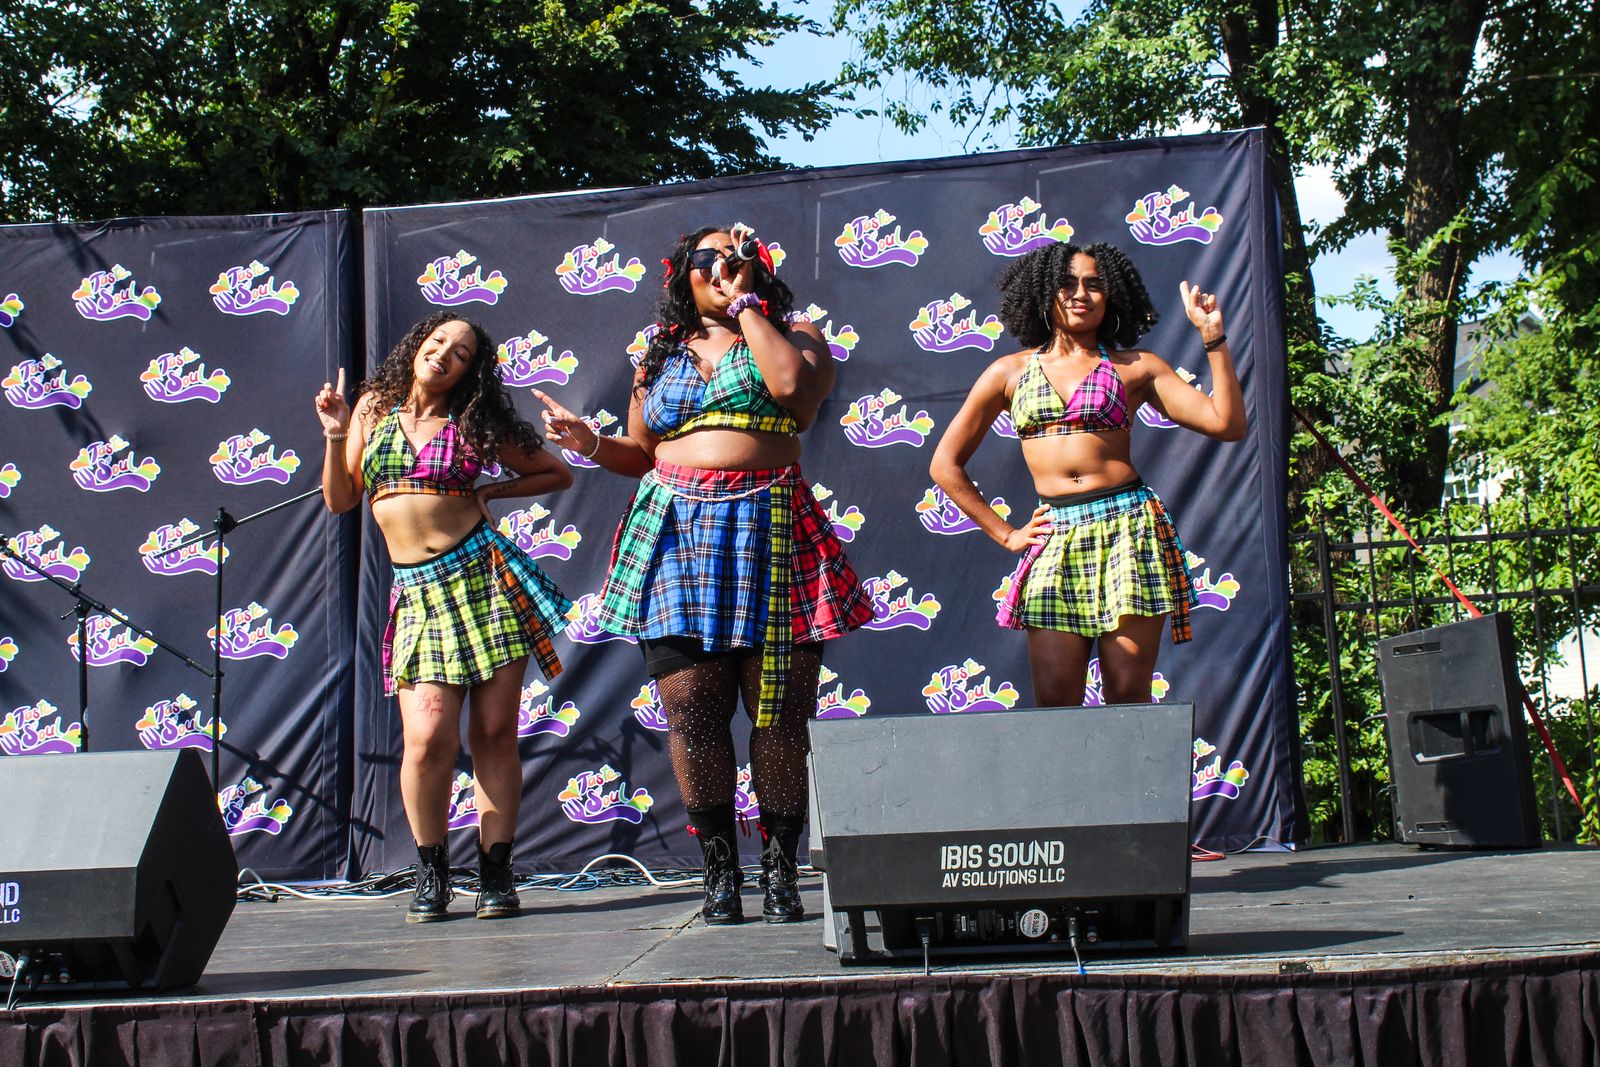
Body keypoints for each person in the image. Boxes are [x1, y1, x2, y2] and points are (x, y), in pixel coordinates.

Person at [536, 224, 872, 925]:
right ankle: (720, 872)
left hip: (771, 526)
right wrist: (591, 442)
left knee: (779, 712)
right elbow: (641, 451)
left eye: (736, 256)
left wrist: (746, 306)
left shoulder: (795, 335)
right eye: (707, 258)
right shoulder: (659, 352)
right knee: (691, 709)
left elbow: (792, 391)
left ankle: (780, 870)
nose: (722, 266)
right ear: (682, 274)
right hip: (677, 532)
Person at [315, 312, 574, 922]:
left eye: (460, 354)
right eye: (437, 343)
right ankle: (432, 873)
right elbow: (340, 498)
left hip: (484, 581)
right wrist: (335, 433)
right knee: (428, 739)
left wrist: (489, 492)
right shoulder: (373, 408)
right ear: (417, 347)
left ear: (469, 371)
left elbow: (555, 471)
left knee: (493, 734)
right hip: (419, 595)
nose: (443, 355)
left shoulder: (474, 421)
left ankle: (495, 874)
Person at [930, 242, 1244, 707]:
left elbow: (1227, 424)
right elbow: (944, 464)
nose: (1080, 294)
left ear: (1110, 296)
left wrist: (1213, 338)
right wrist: (1007, 534)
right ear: (1044, 292)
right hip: (1056, 538)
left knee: (1127, 695)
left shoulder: (1137, 367)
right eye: (1067, 284)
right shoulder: (1008, 372)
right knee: (1056, 702)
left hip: (1128, 532)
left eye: (1094, 285)